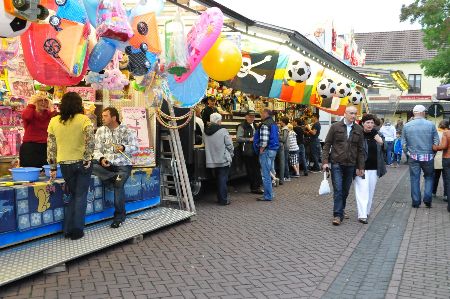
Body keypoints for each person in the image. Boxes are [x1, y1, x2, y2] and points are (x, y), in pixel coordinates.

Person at [47, 92, 95, 240]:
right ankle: (77, 230)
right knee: (80, 195)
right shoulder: (83, 119)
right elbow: (91, 140)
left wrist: (53, 167)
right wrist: (87, 158)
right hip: (82, 162)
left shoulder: (54, 121)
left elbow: (51, 147)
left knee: (74, 195)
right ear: (78, 104)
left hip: (64, 164)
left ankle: (67, 229)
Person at [93, 107, 139, 228]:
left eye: (105, 116)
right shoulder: (100, 131)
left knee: (119, 186)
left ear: (114, 117)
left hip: (122, 165)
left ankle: (119, 217)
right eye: (102, 116)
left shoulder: (127, 130)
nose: (102, 118)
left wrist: (124, 148)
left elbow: (136, 148)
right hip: (107, 165)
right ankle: (113, 178)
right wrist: (101, 159)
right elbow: (96, 150)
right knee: (88, 164)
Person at [322, 106, 365, 226]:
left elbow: (360, 150)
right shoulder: (335, 127)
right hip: (337, 163)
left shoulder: (358, 129)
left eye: (355, 114)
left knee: (345, 190)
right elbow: (327, 144)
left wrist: (360, 167)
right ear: (345, 114)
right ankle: (337, 215)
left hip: (351, 164)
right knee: (338, 189)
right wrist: (325, 161)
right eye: (351, 113)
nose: (353, 116)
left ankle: (342, 208)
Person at [402, 105, 439, 208]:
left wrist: (408, 154)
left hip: (413, 156)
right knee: (429, 177)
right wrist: (433, 153)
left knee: (414, 178)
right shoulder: (431, 125)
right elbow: (436, 141)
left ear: (414, 113)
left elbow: (403, 144)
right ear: (423, 113)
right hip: (428, 156)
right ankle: (427, 199)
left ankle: (416, 201)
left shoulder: (407, 126)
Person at [354, 114, 386, 224]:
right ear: (362, 123)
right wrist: (357, 166)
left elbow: (384, 150)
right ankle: (362, 215)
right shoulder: (358, 134)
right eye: (367, 122)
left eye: (372, 123)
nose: (370, 125)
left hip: (374, 167)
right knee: (362, 191)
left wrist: (381, 143)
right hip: (361, 167)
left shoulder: (378, 134)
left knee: (370, 191)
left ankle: (366, 211)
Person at [20, 92, 57, 168]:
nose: (43, 103)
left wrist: (52, 107)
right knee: (30, 171)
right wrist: (31, 104)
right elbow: (27, 117)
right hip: (30, 147)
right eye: (40, 100)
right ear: (35, 102)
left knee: (47, 172)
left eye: (45, 100)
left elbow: (57, 121)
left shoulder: (49, 114)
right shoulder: (30, 111)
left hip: (46, 146)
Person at [204, 113, 234, 205]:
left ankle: (220, 198)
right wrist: (231, 154)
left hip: (211, 159)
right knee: (222, 179)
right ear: (218, 121)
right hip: (222, 159)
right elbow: (229, 145)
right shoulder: (223, 130)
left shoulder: (205, 131)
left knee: (218, 179)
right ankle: (223, 200)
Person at [254, 108, 279, 201]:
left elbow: (264, 141)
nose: (260, 115)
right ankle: (270, 193)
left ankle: (268, 195)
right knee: (269, 171)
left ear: (265, 113)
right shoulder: (274, 123)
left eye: (261, 113)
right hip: (273, 149)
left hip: (267, 151)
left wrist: (261, 149)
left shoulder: (265, 124)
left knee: (265, 174)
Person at [236, 110, 263, 194]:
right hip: (247, 151)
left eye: (253, 116)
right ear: (246, 116)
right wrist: (249, 139)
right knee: (251, 170)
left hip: (255, 150)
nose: (252, 118)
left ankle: (257, 186)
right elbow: (238, 138)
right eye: (250, 116)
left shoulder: (255, 125)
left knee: (256, 168)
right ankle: (254, 188)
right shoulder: (242, 126)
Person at [433, 129, 450, 212]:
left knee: (443, 178)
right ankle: (446, 195)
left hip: (445, 157)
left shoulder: (445, 133)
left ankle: (434, 192)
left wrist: (435, 147)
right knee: (446, 178)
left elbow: (444, 146)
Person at [279, 117, 290, 182]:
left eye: (280, 121)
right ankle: (286, 175)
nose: (279, 122)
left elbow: (283, 139)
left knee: (284, 162)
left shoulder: (285, 129)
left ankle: (287, 176)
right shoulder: (284, 129)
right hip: (286, 146)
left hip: (285, 147)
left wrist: (277, 136)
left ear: (283, 122)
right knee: (285, 161)